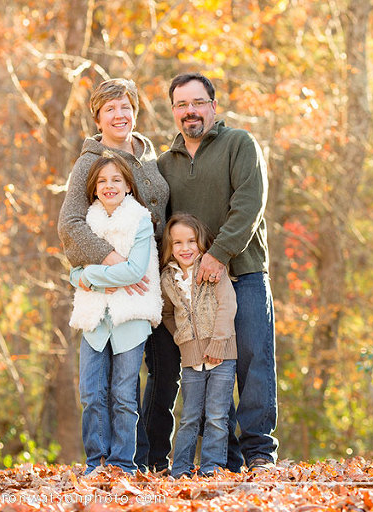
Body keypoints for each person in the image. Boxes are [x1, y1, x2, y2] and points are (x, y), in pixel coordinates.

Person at [157, 72, 278, 472]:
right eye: (181, 104)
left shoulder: (239, 144)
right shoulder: (164, 164)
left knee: (252, 362)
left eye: (197, 102)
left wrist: (219, 254)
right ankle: (226, 456)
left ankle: (260, 453)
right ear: (174, 110)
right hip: (194, 290)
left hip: (243, 273)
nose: (190, 111)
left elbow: (249, 204)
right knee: (212, 367)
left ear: (213, 105)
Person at [57, 78, 179, 472]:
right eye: (110, 109)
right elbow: (70, 224)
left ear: (136, 111)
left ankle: (147, 462)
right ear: (98, 116)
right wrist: (109, 260)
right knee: (108, 386)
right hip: (117, 289)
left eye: (125, 107)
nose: (119, 115)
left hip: (156, 284)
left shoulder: (148, 156)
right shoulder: (89, 163)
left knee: (159, 378)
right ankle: (109, 462)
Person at [68, 152, 162, 474]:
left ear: (128, 187)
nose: (109, 186)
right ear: (93, 189)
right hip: (94, 319)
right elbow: (72, 273)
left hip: (129, 320)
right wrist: (85, 278)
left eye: (116, 180)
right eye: (102, 181)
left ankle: (123, 464)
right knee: (91, 394)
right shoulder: (87, 223)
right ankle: (97, 463)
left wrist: (90, 277)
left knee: (123, 396)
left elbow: (134, 271)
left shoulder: (140, 221)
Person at [160, 213, 237, 477]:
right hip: (191, 359)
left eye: (191, 241)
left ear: (201, 242)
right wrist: (182, 338)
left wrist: (217, 343)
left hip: (223, 355)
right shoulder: (167, 279)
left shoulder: (213, 269)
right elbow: (168, 315)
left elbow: (228, 306)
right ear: (170, 247)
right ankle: (180, 469)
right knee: (190, 417)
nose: (185, 248)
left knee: (217, 416)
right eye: (178, 242)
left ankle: (211, 468)